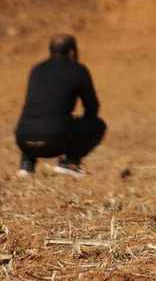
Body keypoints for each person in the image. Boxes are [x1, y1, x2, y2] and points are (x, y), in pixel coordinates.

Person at [15, 35, 106, 178]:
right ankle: (70, 163)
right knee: (98, 125)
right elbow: (92, 107)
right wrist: (77, 127)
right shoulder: (78, 70)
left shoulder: (37, 69)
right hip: (54, 141)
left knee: (37, 117)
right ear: (72, 52)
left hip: (23, 140)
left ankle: (26, 165)